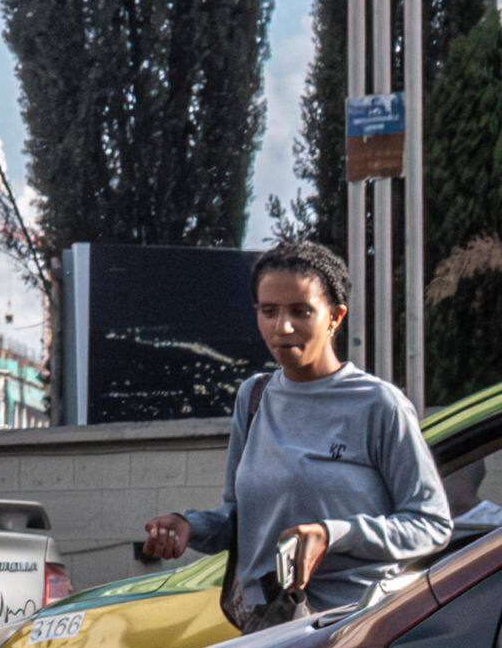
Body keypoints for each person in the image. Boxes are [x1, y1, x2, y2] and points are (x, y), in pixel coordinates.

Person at [138, 241, 450, 626]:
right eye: (269, 311)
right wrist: (188, 526)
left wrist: (331, 534)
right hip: (268, 625)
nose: (281, 327)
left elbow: (430, 525)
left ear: (335, 317)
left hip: (354, 627)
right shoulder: (253, 398)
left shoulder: (378, 405)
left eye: (301, 312)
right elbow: (241, 517)